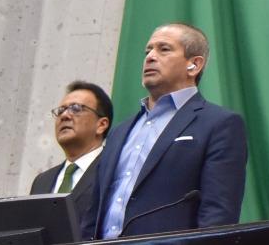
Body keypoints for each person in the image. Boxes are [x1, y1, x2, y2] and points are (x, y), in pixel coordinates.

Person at [79, 22, 248, 238]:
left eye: (164, 49)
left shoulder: (219, 124)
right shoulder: (120, 132)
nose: (150, 56)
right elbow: (93, 214)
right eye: (148, 50)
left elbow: (218, 216)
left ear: (194, 65)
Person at [29, 80, 112, 209]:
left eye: (76, 108)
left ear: (101, 125)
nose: (65, 115)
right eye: (61, 110)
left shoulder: (114, 171)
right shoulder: (42, 181)